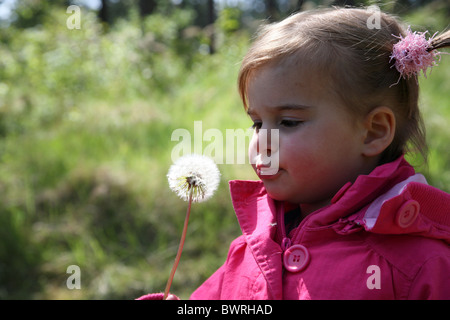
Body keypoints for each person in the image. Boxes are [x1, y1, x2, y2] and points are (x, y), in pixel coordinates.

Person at [138, 7, 450, 300]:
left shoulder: (420, 263)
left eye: (288, 122)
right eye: (257, 123)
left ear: (374, 132)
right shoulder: (254, 246)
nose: (262, 141)